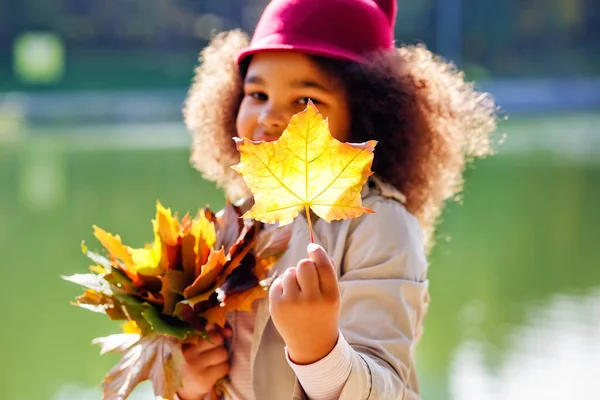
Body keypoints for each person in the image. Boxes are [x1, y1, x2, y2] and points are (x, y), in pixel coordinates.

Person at [178, 0, 497, 399]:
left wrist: (320, 351)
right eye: (257, 93)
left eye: (304, 101)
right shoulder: (239, 219)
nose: (270, 117)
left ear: (366, 114)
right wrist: (189, 387)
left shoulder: (380, 225)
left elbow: (390, 389)